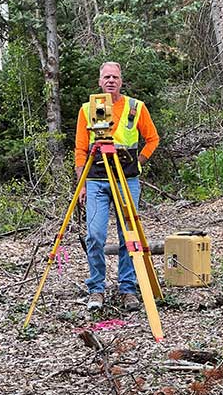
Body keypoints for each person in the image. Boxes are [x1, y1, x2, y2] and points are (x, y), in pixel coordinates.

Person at [75, 62, 159, 312]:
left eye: (115, 77)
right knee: (95, 235)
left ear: (121, 81)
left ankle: (128, 289)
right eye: (106, 77)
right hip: (96, 180)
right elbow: (80, 150)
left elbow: (152, 139)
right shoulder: (89, 109)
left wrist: (139, 162)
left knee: (128, 236)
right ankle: (96, 289)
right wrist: (81, 186)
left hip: (127, 180)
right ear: (99, 81)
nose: (111, 80)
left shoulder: (136, 107)